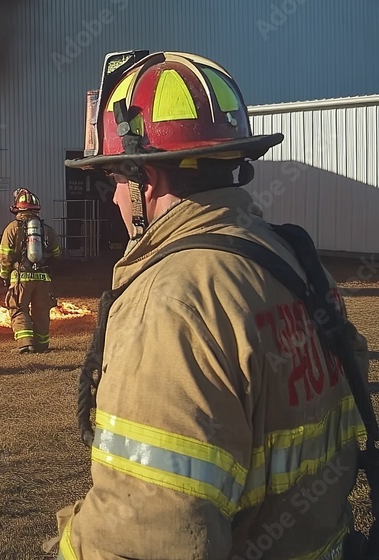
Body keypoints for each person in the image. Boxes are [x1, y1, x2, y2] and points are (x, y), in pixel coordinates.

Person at [47, 51, 373, 558]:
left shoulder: (173, 302)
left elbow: (151, 533)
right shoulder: (295, 260)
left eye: (113, 180)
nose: (112, 200)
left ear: (144, 182)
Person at [0, 188, 59, 354]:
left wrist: (4, 275)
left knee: (18, 308)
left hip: (21, 277)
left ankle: (25, 344)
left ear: (17, 208)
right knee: (41, 311)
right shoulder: (47, 229)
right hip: (43, 277)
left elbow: (5, 256)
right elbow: (57, 253)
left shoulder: (12, 228)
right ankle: (42, 344)